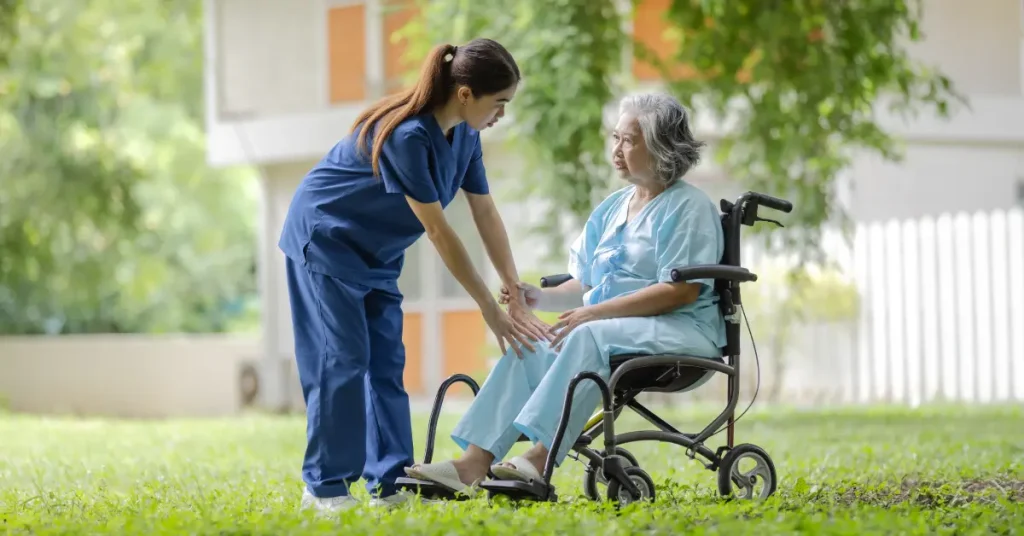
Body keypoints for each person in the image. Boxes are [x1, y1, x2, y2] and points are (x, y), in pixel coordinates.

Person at [403, 92, 726, 493]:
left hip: (682, 330)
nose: (617, 150)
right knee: (533, 343)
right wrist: (532, 298)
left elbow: (682, 292)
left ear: (661, 145)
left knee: (588, 333)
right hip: (614, 332)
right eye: (615, 138)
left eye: (629, 140)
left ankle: (537, 460)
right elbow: (585, 285)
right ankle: (472, 464)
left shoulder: (690, 208)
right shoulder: (612, 208)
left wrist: (595, 314)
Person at [278, 38, 550, 513]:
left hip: (376, 255)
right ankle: (323, 489)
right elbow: (440, 233)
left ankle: (389, 483)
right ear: (465, 93)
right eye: (499, 102)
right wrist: (489, 309)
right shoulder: (407, 135)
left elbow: (484, 211)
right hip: (325, 240)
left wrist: (512, 288)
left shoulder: (465, 136)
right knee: (342, 360)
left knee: (386, 365)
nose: (502, 114)